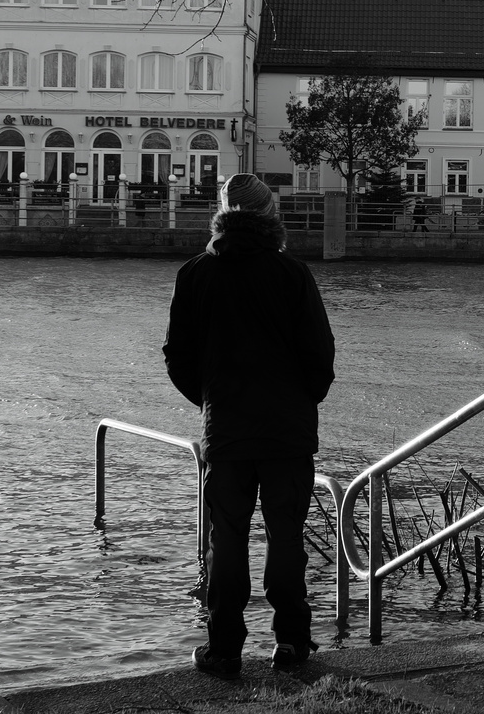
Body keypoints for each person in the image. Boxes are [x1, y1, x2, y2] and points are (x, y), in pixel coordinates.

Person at [164, 173, 336, 679]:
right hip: (287, 431)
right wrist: (306, 398)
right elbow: (319, 354)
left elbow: (178, 356)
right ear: (269, 215)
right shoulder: (292, 274)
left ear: (223, 213)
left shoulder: (195, 274)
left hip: (228, 430)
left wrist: (211, 400)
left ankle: (224, 650)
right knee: (287, 536)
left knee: (228, 539)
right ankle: (291, 643)